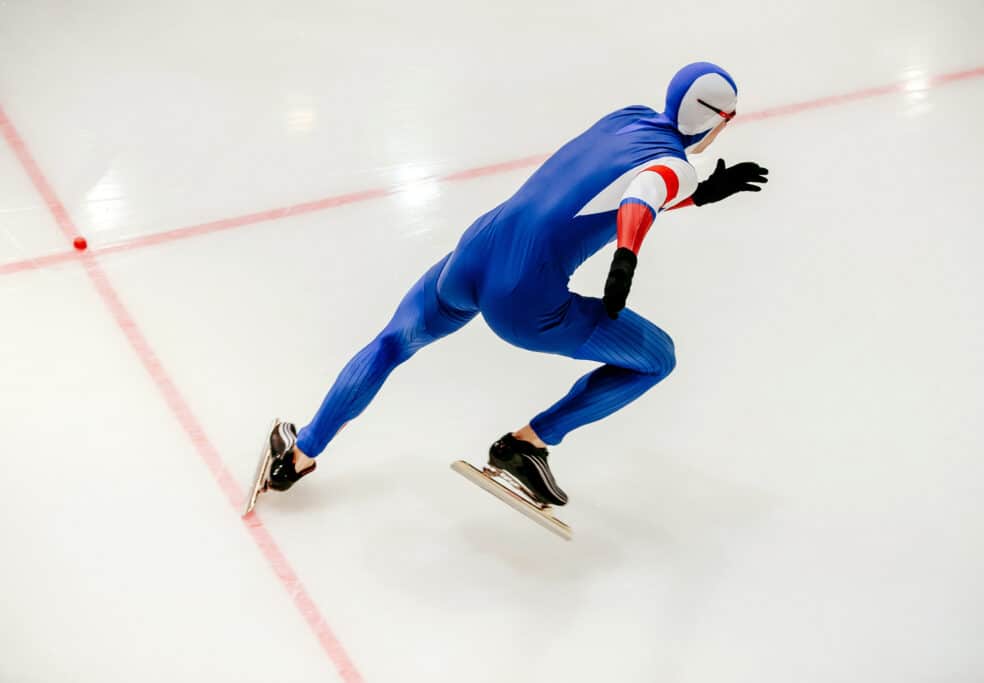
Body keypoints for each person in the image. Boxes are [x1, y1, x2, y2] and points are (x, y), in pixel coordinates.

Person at [260, 61, 768, 509]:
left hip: (474, 252)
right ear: (717, 120)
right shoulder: (675, 166)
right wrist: (626, 258)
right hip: (524, 300)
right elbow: (641, 195)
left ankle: (298, 455)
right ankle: (530, 444)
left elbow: (611, 187)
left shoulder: (628, 116)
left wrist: (700, 196)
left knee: (393, 343)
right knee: (658, 358)